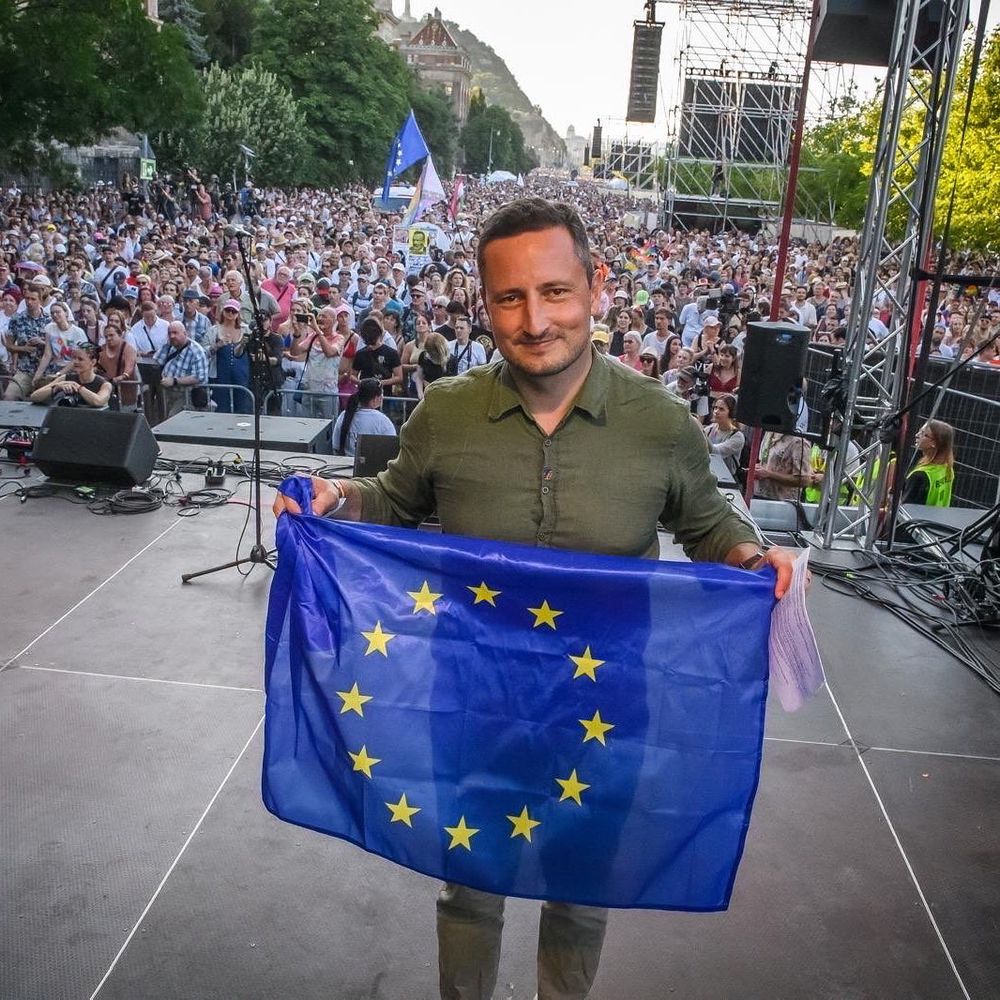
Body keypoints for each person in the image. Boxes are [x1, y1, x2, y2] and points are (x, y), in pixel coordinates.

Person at [274, 197, 796, 1000]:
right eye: (510, 297)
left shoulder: (659, 420)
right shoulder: (447, 410)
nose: (534, 318)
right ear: (485, 306)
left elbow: (707, 520)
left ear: (596, 287)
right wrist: (337, 496)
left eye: (555, 292)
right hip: (473, 699)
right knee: (467, 887)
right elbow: (395, 496)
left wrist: (749, 555)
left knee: (582, 889)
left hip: (607, 705)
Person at [30, 344, 112, 408]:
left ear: (93, 362)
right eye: (74, 358)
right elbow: (34, 396)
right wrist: (56, 387)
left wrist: (78, 387)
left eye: (80, 359)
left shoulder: (104, 384)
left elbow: (98, 401)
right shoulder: (65, 378)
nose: (75, 362)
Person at [331, 377, 396, 457]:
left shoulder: (344, 415)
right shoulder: (383, 421)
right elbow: (391, 449)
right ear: (375, 399)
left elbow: (336, 446)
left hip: (345, 463)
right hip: (372, 466)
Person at [902, 419, 955, 507]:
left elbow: (905, 509)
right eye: (919, 431)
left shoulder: (920, 475)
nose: (917, 435)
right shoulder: (947, 469)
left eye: (923, 434)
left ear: (934, 443)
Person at [704, 394, 746, 479]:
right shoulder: (710, 429)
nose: (716, 411)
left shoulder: (737, 436)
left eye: (721, 409)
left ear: (731, 413)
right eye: (715, 408)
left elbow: (716, 451)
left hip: (727, 479)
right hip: (708, 476)